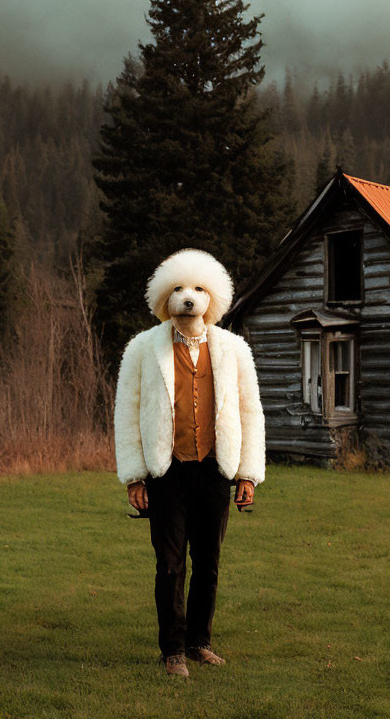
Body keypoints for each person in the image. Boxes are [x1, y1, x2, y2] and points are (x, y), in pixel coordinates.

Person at [113, 248, 266, 676]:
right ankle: (173, 651)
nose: (188, 297)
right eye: (179, 289)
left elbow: (250, 410)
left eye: (198, 289)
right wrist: (134, 476)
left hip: (215, 469)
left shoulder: (234, 350)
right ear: (165, 296)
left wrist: (248, 473)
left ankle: (200, 641)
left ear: (211, 297)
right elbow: (127, 411)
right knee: (169, 563)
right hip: (166, 471)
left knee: (209, 562)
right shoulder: (143, 348)